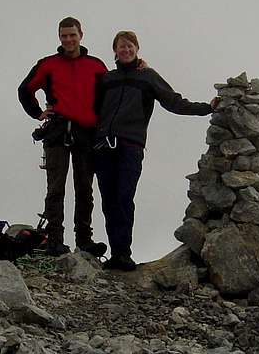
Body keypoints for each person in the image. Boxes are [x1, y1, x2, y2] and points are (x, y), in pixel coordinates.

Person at [93, 30, 218, 271]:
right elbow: (93, 110)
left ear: (137, 49)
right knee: (109, 201)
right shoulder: (107, 79)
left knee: (123, 198)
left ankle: (123, 253)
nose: (126, 50)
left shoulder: (148, 77)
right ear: (115, 51)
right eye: (121, 46)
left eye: (130, 46)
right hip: (103, 147)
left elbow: (173, 101)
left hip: (130, 146)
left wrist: (206, 108)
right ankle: (116, 253)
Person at [18, 17, 108, 257]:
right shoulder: (48, 64)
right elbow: (25, 89)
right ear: (59, 37)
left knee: (84, 188)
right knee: (55, 188)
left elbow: (110, 94)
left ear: (81, 35)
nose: (68, 40)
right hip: (57, 131)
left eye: (72, 35)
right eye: (64, 36)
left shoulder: (96, 65)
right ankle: (55, 239)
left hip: (87, 133)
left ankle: (84, 240)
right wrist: (37, 113)